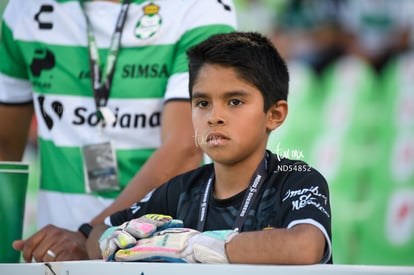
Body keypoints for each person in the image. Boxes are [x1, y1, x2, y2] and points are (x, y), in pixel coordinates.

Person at [0, 0, 237, 262]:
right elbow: (4, 150)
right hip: (54, 257)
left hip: (156, 256)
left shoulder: (199, 7)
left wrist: (89, 235)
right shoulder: (24, 9)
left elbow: (184, 147)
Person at [86, 31, 333, 264]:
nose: (214, 117)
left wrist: (196, 245)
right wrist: (112, 240)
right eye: (203, 103)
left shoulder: (297, 181)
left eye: (235, 101)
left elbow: (304, 246)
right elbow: (98, 233)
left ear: (275, 115)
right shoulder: (180, 190)